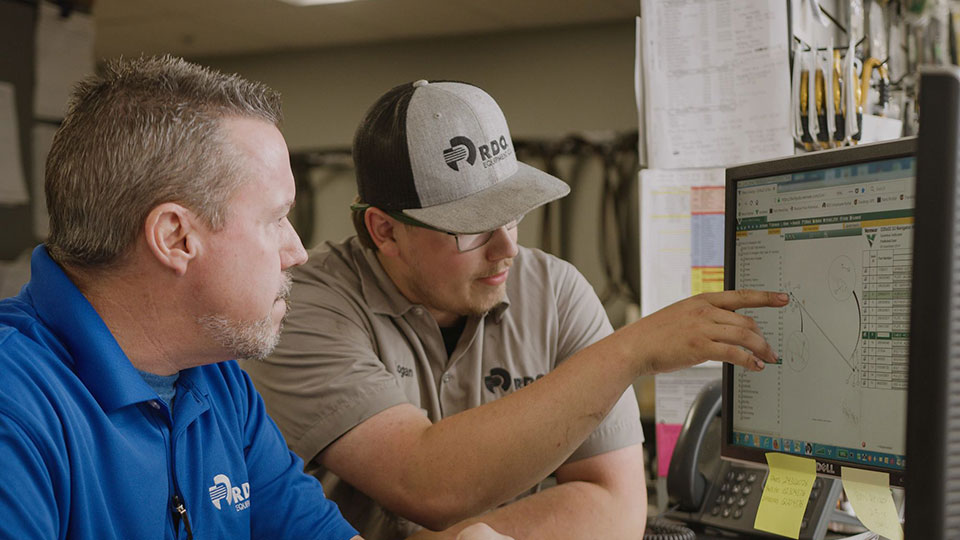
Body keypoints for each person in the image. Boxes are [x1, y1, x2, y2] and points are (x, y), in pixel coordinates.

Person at [242, 80, 786, 540]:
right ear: (385, 230)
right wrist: (630, 351)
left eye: (513, 215)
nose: (507, 250)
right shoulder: (299, 304)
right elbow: (425, 481)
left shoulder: (554, 290)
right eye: (473, 228)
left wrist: (488, 536)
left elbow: (616, 508)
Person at [0, 55, 361, 539]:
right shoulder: (15, 402)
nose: (297, 252)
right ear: (175, 238)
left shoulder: (216, 377)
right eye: (275, 219)